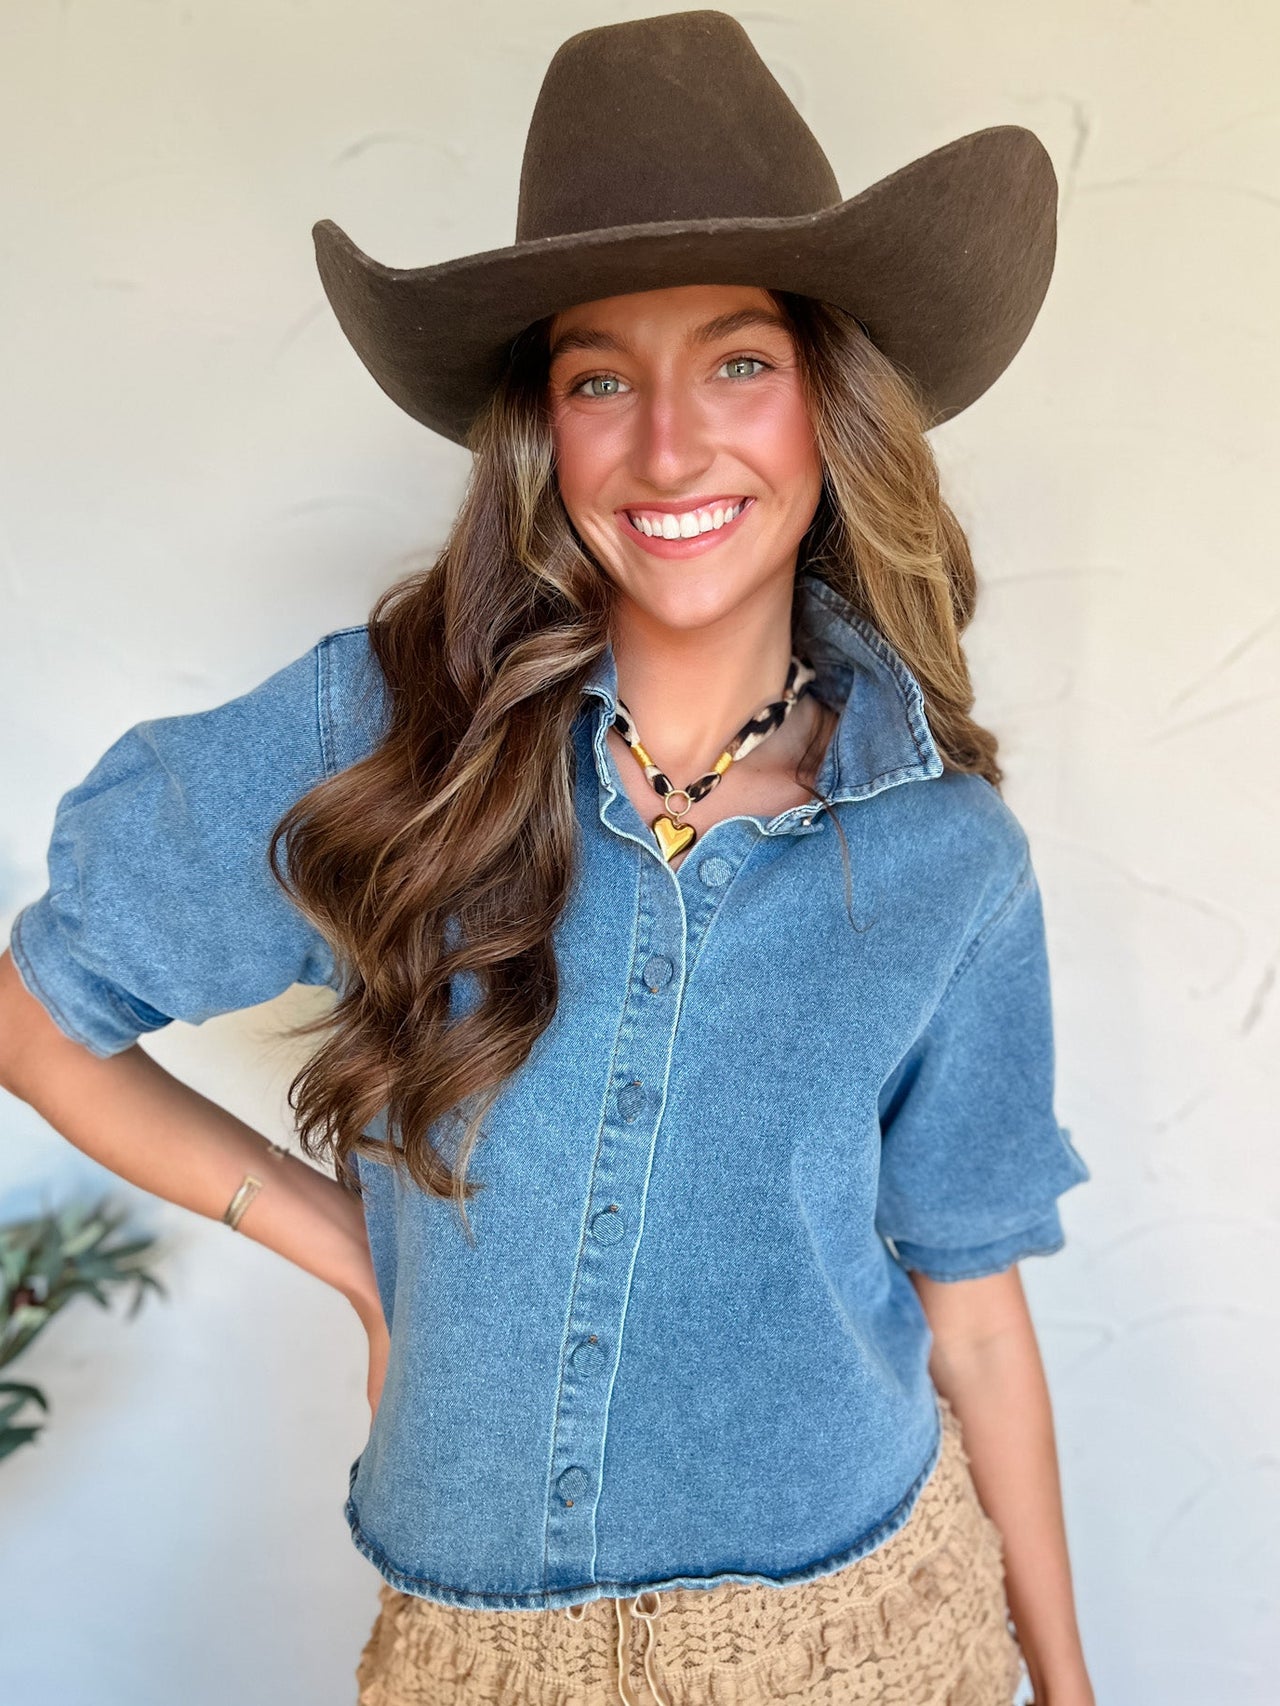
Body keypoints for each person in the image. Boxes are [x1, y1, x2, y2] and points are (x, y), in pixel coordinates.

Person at [0, 11, 1097, 1705]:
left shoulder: (948, 856)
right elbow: (39, 1010)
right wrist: (350, 1256)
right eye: (603, 378)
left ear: (832, 404)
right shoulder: (387, 737)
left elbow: (975, 1316)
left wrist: (1070, 1684)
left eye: (739, 361)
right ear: (544, 427)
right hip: (472, 1659)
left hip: (873, 1638)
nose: (669, 448)